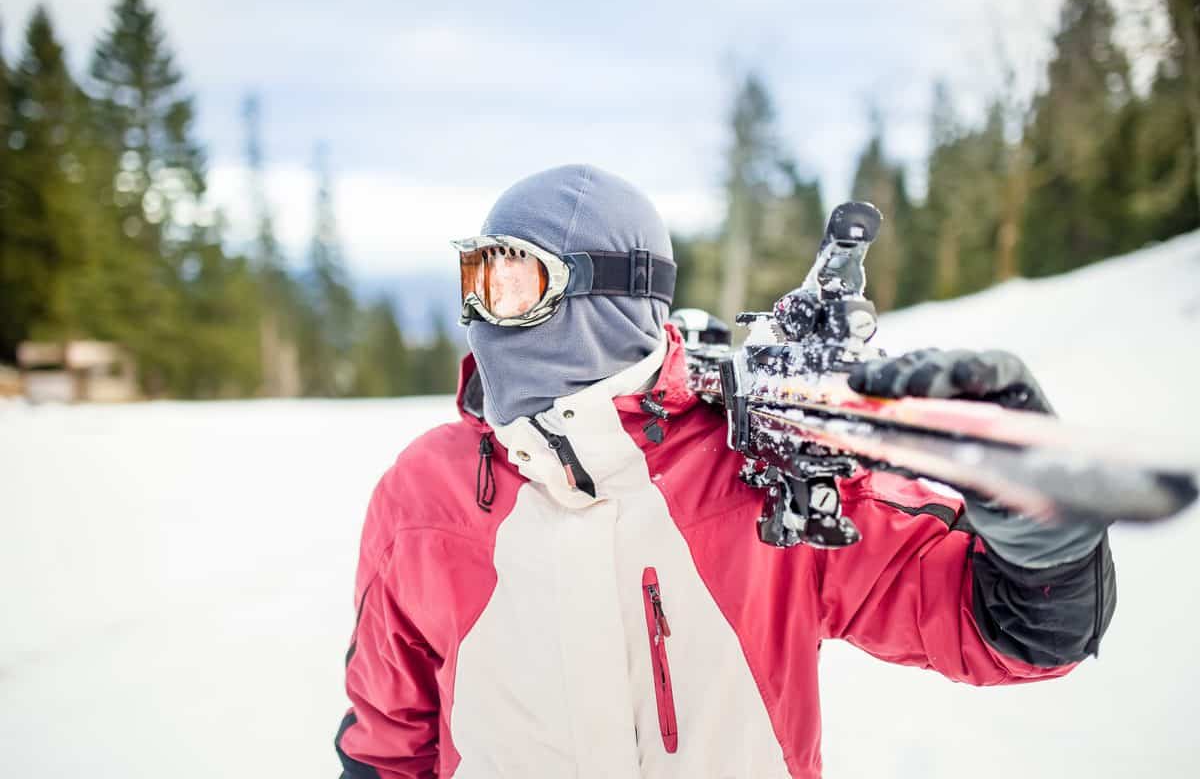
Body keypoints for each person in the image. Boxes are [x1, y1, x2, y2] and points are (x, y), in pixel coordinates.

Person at [334, 164, 1115, 779]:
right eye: (476, 281)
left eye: (513, 284)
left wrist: (1040, 517)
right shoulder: (423, 494)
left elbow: (1016, 634)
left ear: (605, 297)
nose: (483, 316)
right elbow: (386, 742)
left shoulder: (760, 470)